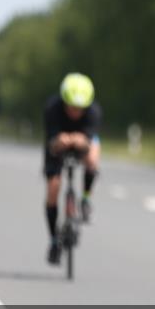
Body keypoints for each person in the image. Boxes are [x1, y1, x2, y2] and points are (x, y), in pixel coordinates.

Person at [43, 73, 101, 265]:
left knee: (92, 158)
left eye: (80, 109)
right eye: (71, 107)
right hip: (57, 145)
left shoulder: (93, 112)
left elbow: (90, 139)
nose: (76, 112)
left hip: (82, 142)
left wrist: (80, 140)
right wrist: (60, 141)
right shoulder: (52, 108)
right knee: (53, 187)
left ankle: (85, 198)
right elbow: (51, 141)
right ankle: (53, 240)